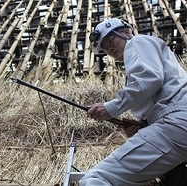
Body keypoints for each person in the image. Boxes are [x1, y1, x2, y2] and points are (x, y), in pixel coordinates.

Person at [79, 18, 187, 185]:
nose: (110, 48)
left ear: (126, 32)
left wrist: (111, 108)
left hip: (175, 123)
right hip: (177, 125)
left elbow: (150, 79)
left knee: (96, 179)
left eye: (110, 40)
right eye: (106, 49)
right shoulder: (147, 55)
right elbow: (160, 96)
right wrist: (142, 127)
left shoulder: (137, 42)